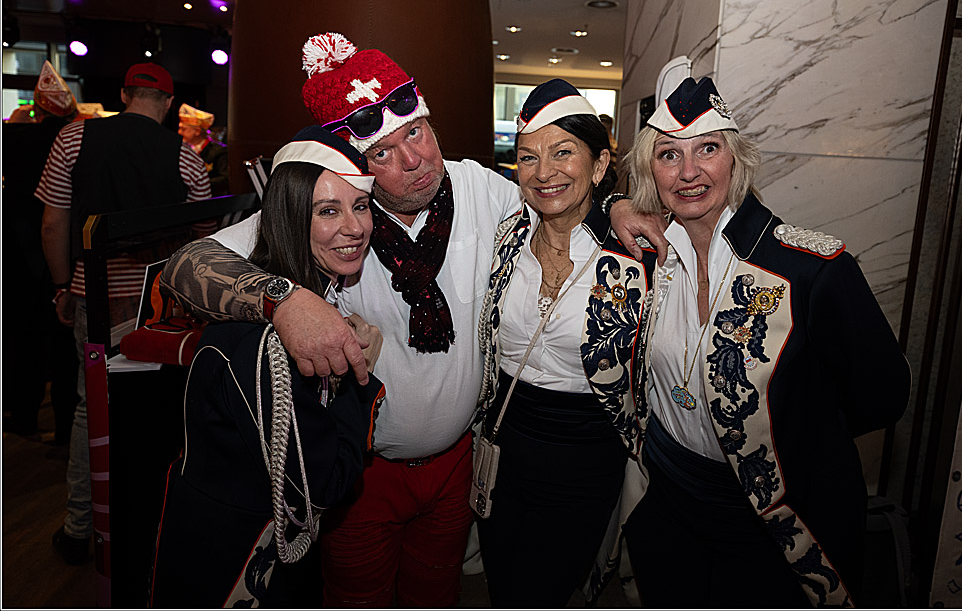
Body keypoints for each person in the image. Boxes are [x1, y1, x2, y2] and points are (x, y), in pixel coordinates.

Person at [158, 31, 667, 606]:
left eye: (416, 132)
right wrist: (285, 299)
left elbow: (556, 195)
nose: (413, 161)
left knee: (437, 594)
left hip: (457, 465)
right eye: (382, 153)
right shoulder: (333, 212)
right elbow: (183, 266)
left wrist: (615, 204)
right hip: (364, 475)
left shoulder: (479, 188)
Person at [615, 76, 912, 607]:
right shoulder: (645, 257)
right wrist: (617, 205)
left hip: (764, 516)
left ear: (737, 160)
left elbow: (883, 396)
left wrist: (795, 430)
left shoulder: (813, 270)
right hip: (666, 495)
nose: (688, 172)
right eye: (668, 155)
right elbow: (565, 203)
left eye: (708, 149)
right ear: (648, 172)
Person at [149, 127, 385, 607]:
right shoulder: (269, 337)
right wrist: (359, 376)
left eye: (360, 206)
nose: (354, 227)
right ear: (290, 217)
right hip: (234, 558)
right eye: (328, 211)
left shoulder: (303, 292)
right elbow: (325, 484)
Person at [476, 79, 657, 606]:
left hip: (585, 456)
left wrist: (618, 204)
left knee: (542, 591)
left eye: (562, 153)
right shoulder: (504, 237)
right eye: (528, 157)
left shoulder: (636, 256)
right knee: (501, 586)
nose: (543, 172)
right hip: (503, 447)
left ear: (598, 166)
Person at [36, 61, 212, 566]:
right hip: (159, 302)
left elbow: (53, 223)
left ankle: (80, 528)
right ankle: (150, 521)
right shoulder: (185, 156)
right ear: (169, 103)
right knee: (156, 407)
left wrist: (61, 285)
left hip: (94, 295)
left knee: (90, 407)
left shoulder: (73, 138)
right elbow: (204, 238)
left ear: (123, 94)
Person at [3, 61, 81, 441]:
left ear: (37, 107)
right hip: (63, 255)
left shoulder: (15, 140)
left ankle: (23, 416)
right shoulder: (76, 142)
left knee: (23, 340)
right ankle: (66, 429)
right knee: (65, 346)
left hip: (20, 257)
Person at [178, 103, 229, 195]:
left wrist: (199, 184)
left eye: (183, 129)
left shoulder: (218, 151)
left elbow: (225, 179)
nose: (179, 132)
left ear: (197, 131)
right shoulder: (179, 149)